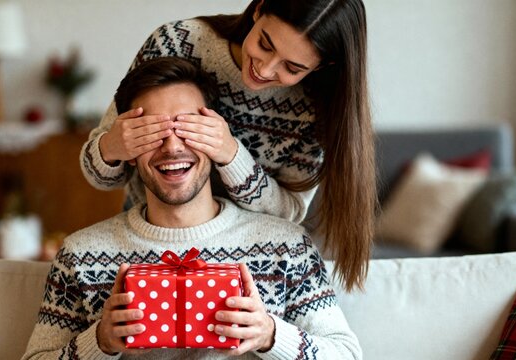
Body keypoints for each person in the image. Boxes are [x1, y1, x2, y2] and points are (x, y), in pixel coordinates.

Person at [24, 57, 361, 359]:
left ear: (215, 137)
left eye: (189, 128)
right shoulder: (80, 254)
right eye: (151, 132)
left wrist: (270, 335)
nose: (172, 147)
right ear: (128, 144)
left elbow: (347, 355)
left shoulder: (286, 248)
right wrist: (99, 342)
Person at [80, 0, 376, 292]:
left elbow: (290, 212)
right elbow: (98, 176)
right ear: (259, 8)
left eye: (292, 67)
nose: (265, 68)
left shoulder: (321, 107)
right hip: (150, 243)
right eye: (265, 44)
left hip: (251, 261)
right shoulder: (177, 43)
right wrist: (112, 147)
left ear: (324, 64)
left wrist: (232, 157)